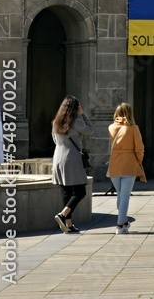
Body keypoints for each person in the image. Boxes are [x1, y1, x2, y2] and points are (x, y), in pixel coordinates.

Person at [51, 95, 94, 233]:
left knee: (66, 192)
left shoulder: (56, 122)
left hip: (58, 157)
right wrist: (83, 114)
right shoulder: (75, 121)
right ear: (76, 108)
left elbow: (54, 140)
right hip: (72, 158)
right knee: (80, 191)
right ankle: (63, 215)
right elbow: (90, 129)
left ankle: (68, 225)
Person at [107, 102, 146, 233]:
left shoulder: (111, 127)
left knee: (120, 195)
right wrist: (138, 161)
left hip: (114, 164)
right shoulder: (133, 128)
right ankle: (119, 225)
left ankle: (123, 223)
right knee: (125, 196)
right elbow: (139, 148)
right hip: (129, 162)